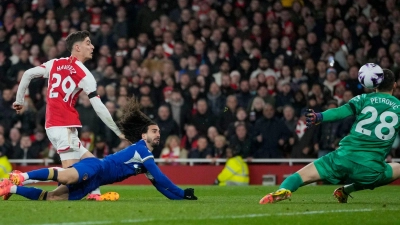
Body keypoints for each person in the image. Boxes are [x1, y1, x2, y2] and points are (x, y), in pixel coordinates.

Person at [0, 98, 198, 201]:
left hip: (93, 181)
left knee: (51, 198)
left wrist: (182, 198)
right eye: (154, 131)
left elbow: (160, 187)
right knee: (66, 176)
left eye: (159, 132)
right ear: (143, 136)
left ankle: (12, 188)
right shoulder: (142, 151)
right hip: (95, 168)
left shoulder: (144, 159)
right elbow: (162, 178)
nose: (158, 134)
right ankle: (22, 177)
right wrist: (182, 191)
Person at [10, 31, 126, 201]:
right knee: (67, 184)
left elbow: (27, 74)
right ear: (77, 47)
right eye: (88, 43)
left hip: (52, 125)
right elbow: (99, 108)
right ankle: (17, 182)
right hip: (65, 126)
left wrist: (19, 101)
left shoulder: (55, 63)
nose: (92, 46)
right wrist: (117, 131)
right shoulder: (85, 74)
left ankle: (95, 195)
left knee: (94, 164)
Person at [259, 69, 400, 204]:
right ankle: (346, 190)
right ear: (394, 85)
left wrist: (319, 116)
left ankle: (284, 190)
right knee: (394, 169)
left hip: (343, 158)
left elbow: (339, 112)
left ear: (375, 85)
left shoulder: (363, 99)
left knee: (302, 176)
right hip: (371, 168)